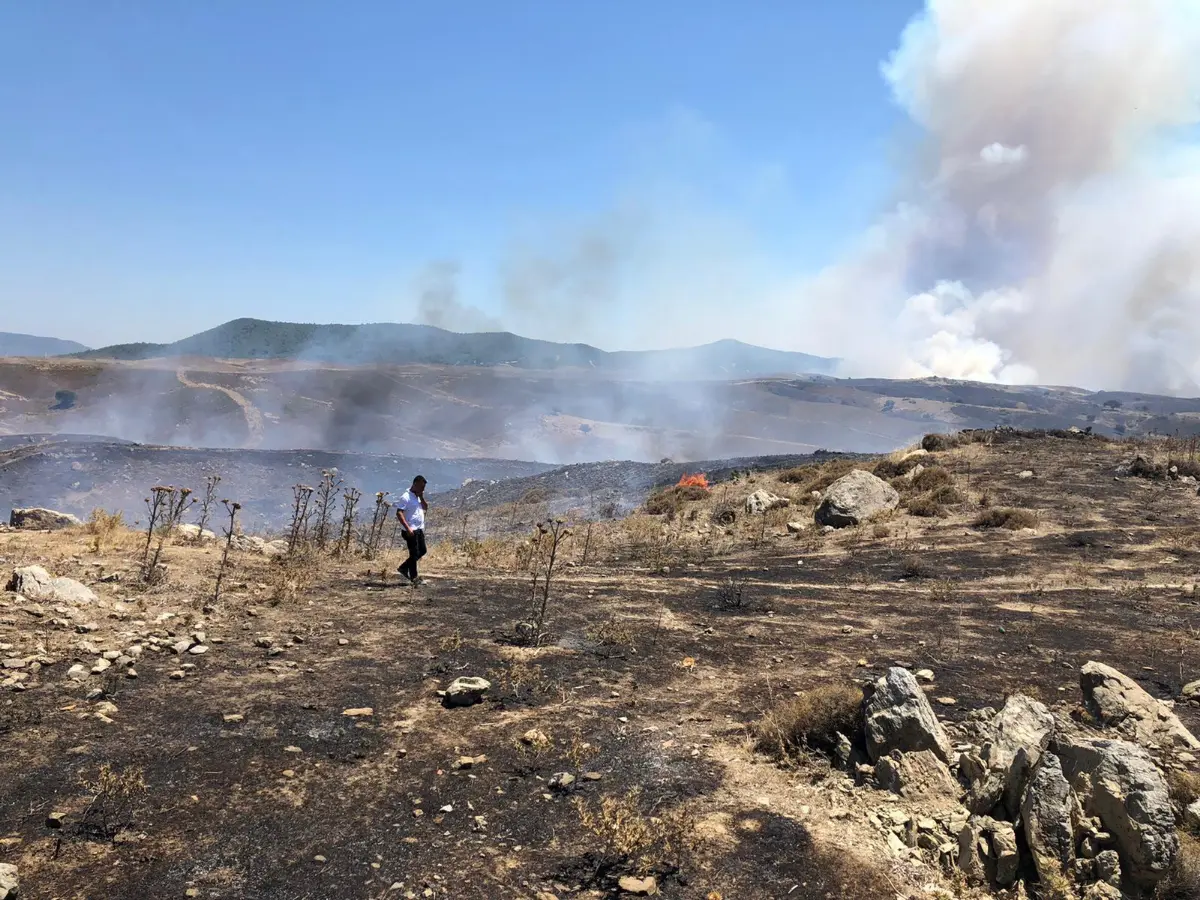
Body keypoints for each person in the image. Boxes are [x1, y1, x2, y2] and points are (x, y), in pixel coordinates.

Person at [395, 475, 428, 584]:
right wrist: (408, 528)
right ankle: (414, 578)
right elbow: (399, 513)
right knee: (413, 554)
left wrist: (422, 497)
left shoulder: (417, 496)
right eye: (421, 487)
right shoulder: (406, 497)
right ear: (415, 484)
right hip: (410, 530)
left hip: (419, 529)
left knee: (422, 550)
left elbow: (425, 507)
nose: (423, 489)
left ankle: (404, 567)